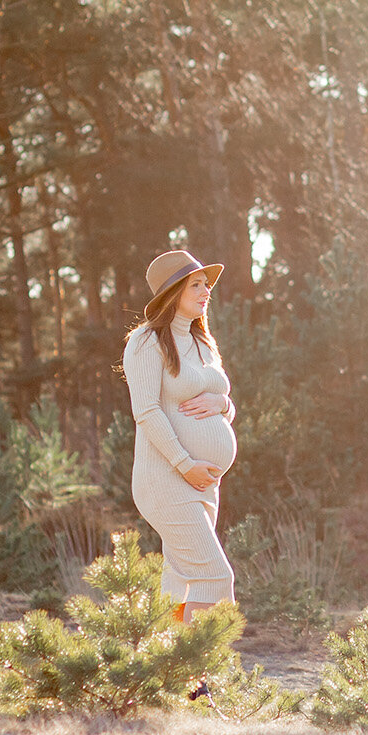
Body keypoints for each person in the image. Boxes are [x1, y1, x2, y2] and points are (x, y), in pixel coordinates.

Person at [122, 249, 238, 623]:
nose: (207, 292)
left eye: (207, 285)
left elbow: (225, 403)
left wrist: (222, 404)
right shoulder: (145, 342)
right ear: (173, 292)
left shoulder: (203, 342)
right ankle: (197, 677)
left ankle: (164, 673)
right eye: (196, 285)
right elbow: (146, 412)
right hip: (167, 479)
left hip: (203, 484)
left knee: (181, 581)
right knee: (214, 577)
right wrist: (185, 464)